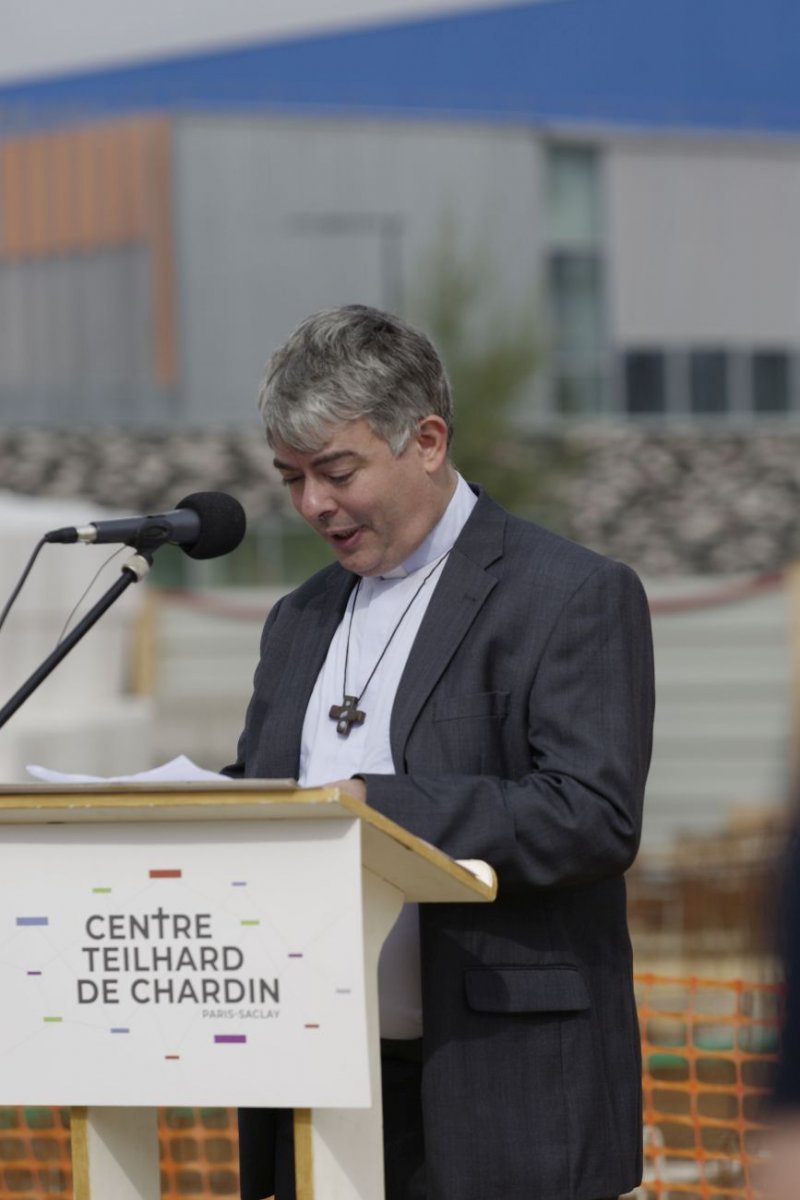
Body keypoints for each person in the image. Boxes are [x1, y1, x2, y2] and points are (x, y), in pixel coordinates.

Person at [226, 304, 655, 1200]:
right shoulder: (297, 617)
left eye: (336, 471)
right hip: (319, 1086)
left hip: (503, 1092)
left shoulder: (570, 595)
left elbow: (593, 815)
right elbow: (270, 791)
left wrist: (376, 807)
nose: (313, 505)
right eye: (291, 478)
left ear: (425, 439)